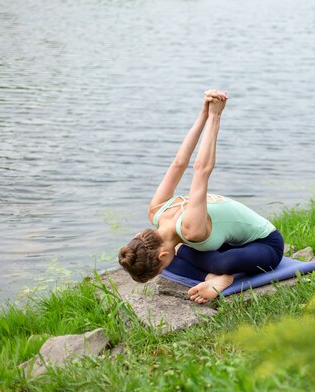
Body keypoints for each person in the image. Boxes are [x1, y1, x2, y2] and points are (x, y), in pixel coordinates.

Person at [118, 90, 284, 304]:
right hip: (223, 242)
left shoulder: (191, 229)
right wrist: (202, 114)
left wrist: (214, 116)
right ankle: (211, 277)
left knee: (215, 263)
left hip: (265, 244)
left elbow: (201, 170)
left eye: (162, 264)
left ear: (161, 256)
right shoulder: (156, 210)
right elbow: (179, 163)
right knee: (180, 256)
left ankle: (218, 276)